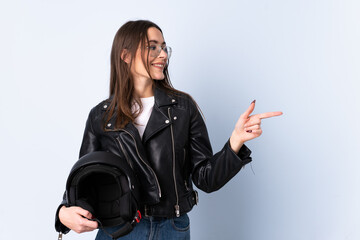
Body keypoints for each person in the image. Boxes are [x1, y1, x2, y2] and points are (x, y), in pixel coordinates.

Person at [55, 20, 283, 240]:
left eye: (164, 48)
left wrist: (235, 142)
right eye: (152, 47)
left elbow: (206, 179)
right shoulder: (101, 116)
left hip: (171, 228)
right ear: (125, 56)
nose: (163, 55)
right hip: (118, 230)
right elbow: (85, 179)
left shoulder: (183, 108)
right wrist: (63, 212)